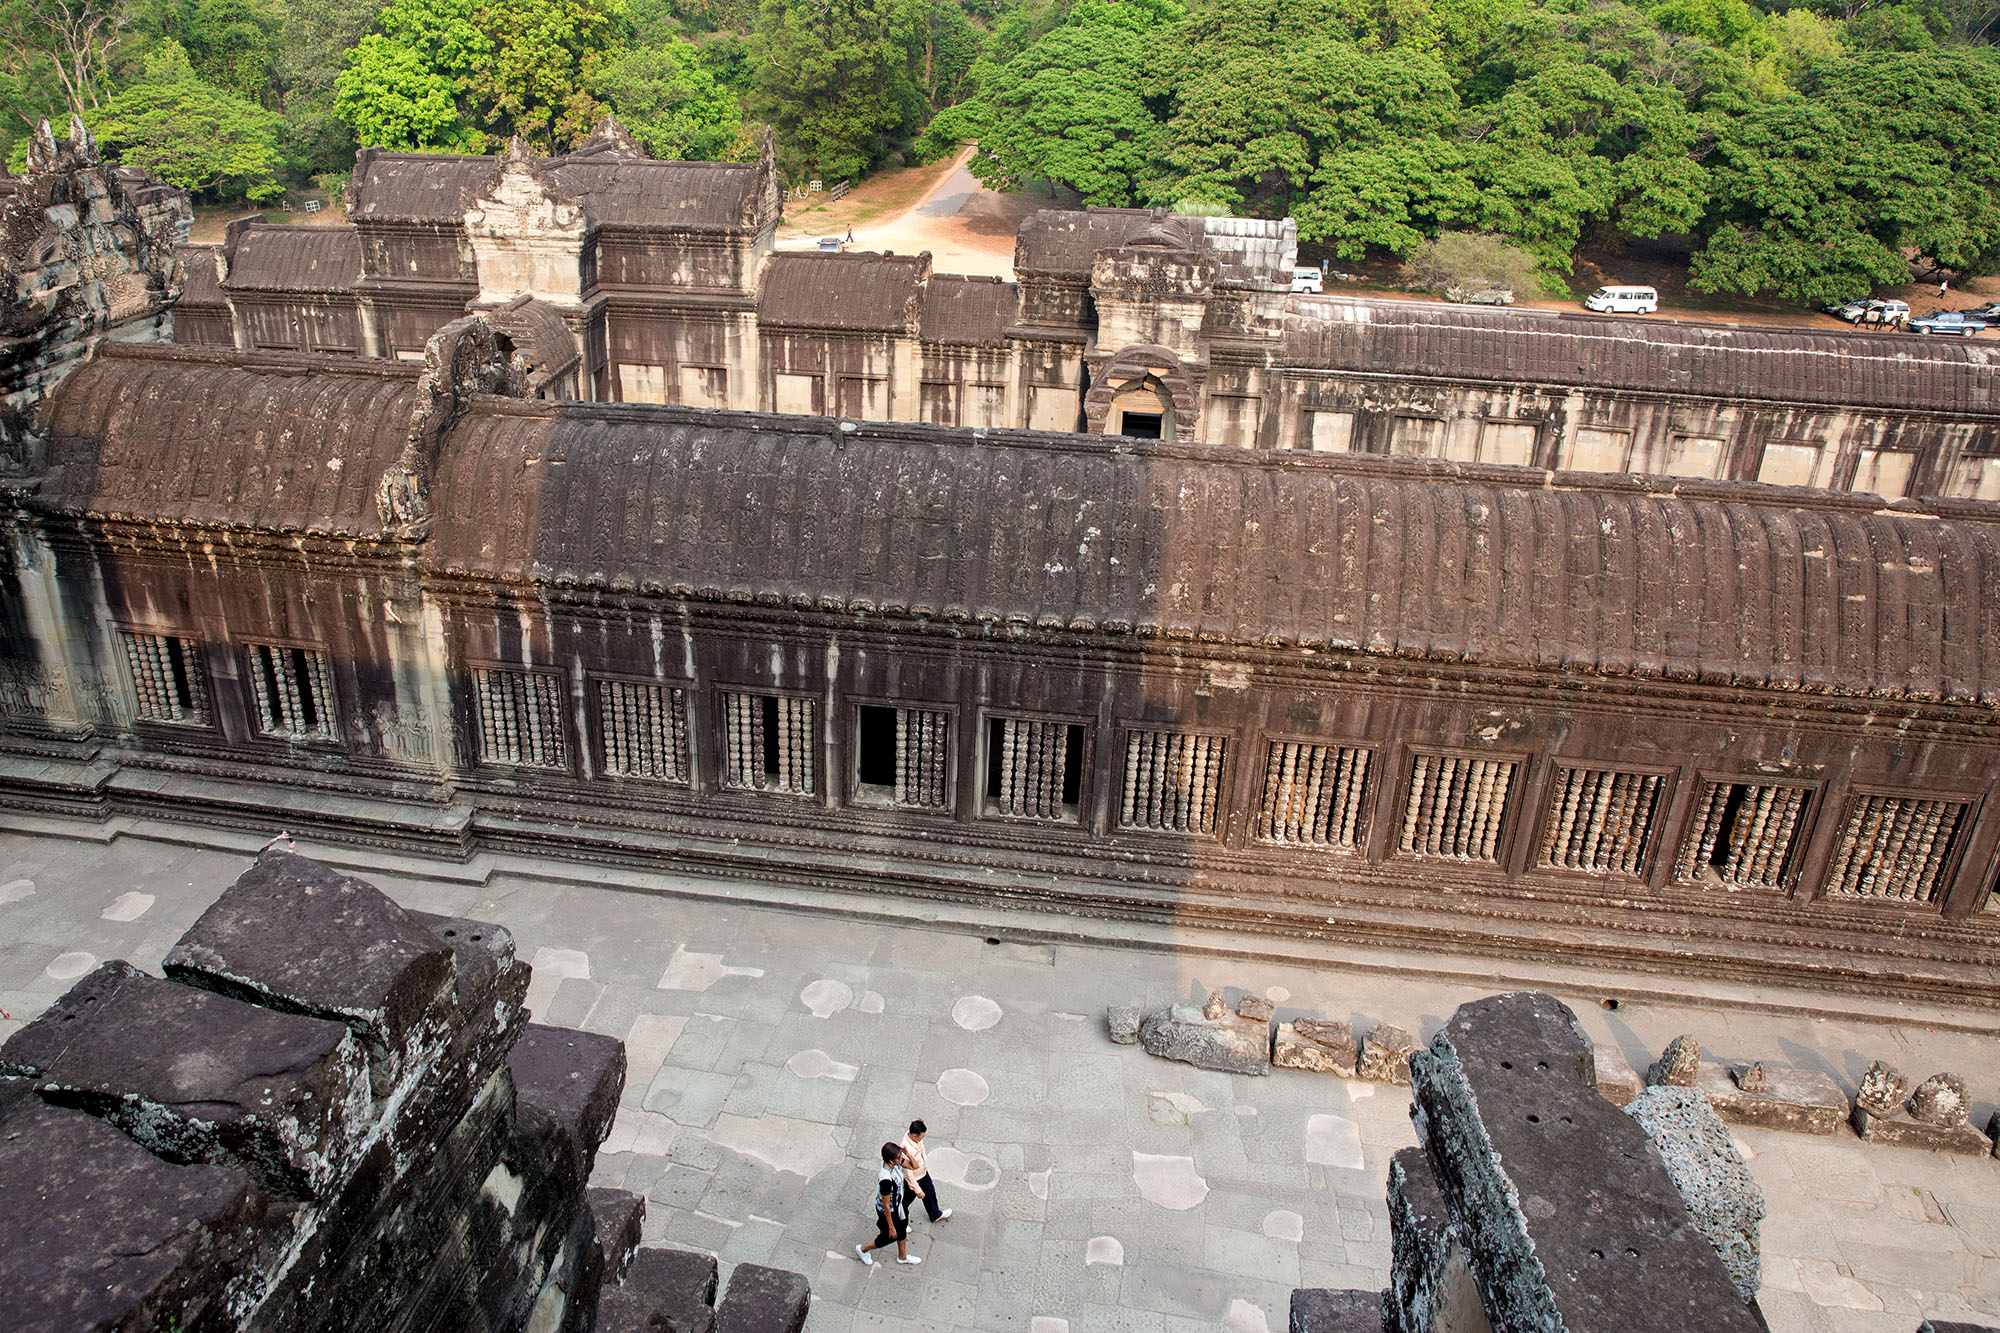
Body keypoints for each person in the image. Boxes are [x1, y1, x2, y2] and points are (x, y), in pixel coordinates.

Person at [855, 1141, 921, 1266]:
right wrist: (891, 1226)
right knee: (890, 1236)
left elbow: (914, 1166)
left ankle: (903, 1257)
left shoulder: (895, 1163)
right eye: (898, 1157)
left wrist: (907, 1153)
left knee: (902, 1228)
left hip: (898, 1205)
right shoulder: (885, 1180)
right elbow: (886, 1205)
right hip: (889, 1211)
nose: (901, 1159)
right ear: (891, 1160)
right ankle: (863, 1249)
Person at [900, 1120, 951, 1224]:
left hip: (922, 1173)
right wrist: (917, 1190)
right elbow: (908, 1174)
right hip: (914, 1179)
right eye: (920, 1138)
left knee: (930, 1192)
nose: (921, 1140)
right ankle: (902, 1224)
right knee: (904, 1202)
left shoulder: (913, 1137)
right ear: (914, 1136)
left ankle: (935, 1214)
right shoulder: (906, 1150)